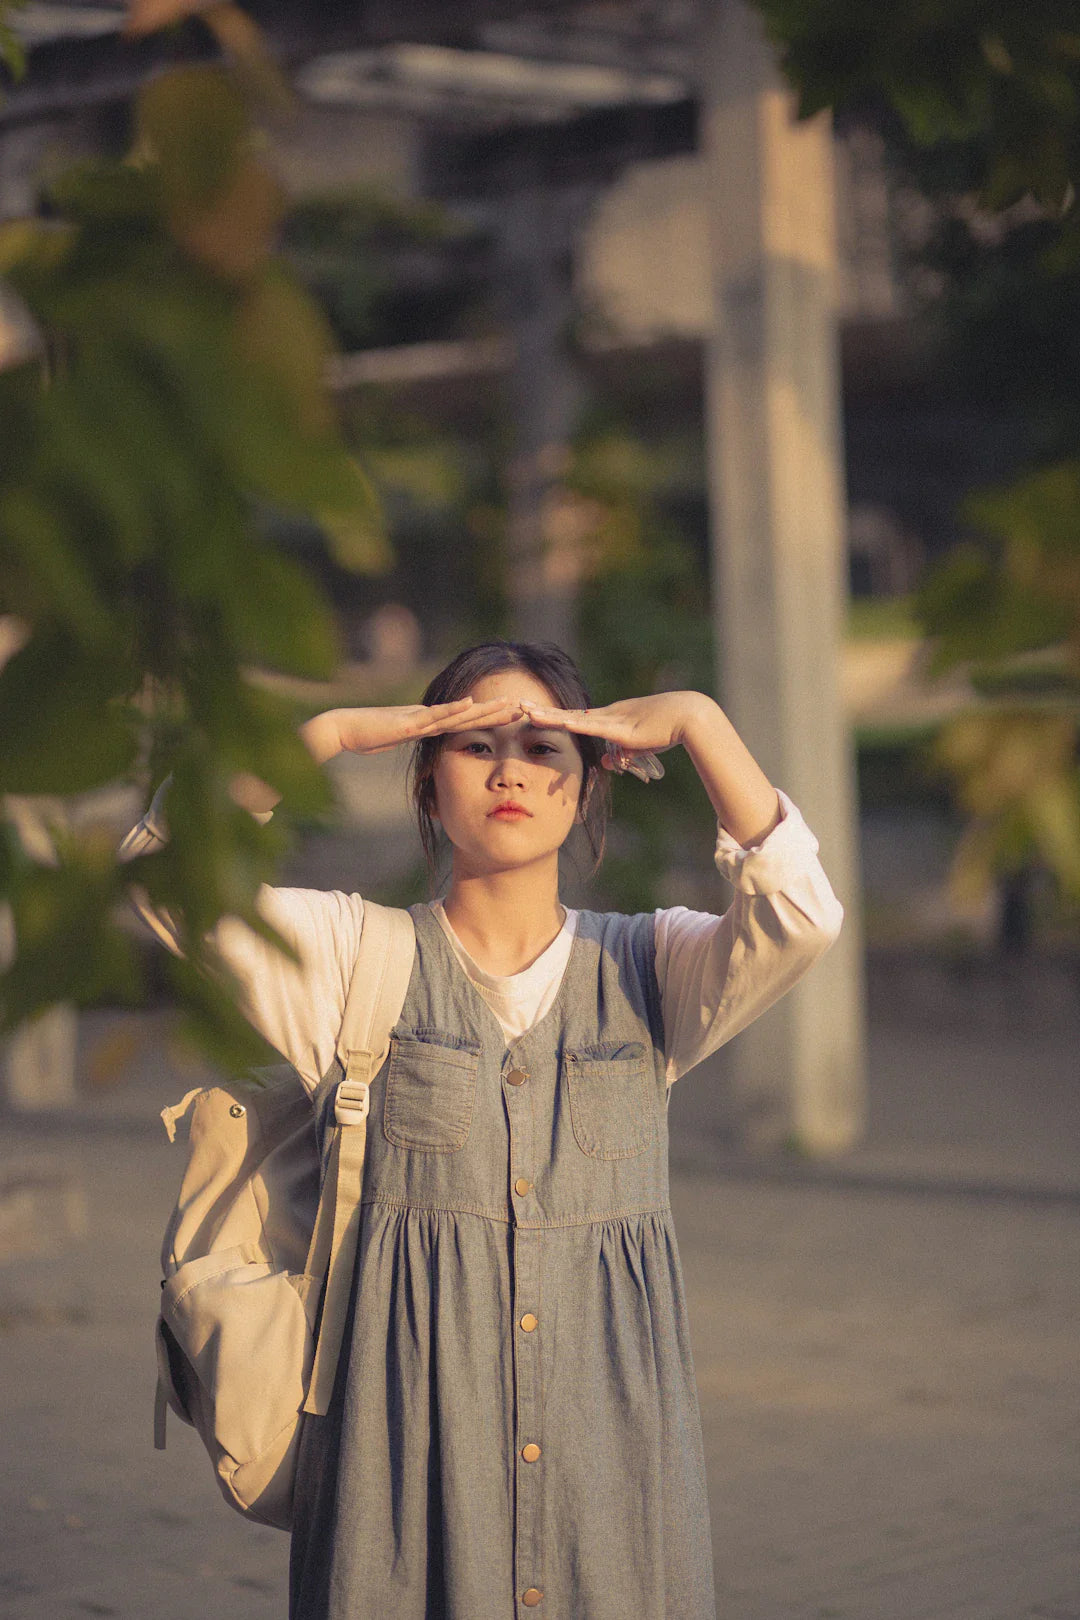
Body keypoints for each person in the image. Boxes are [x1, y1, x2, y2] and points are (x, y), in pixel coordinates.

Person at [122, 638, 844, 1620]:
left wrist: (699, 723)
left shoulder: (650, 967)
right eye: (472, 743)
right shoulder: (351, 960)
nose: (509, 769)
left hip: (612, 1486)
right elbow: (167, 876)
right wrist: (328, 737)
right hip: (402, 1483)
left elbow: (801, 915)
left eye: (544, 746)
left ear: (589, 788)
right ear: (426, 781)